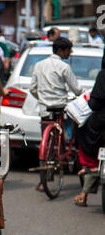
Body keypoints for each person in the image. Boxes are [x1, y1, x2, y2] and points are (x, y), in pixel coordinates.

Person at [29, 37, 84, 191]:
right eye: (68, 50)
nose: (70, 53)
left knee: (46, 145)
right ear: (60, 51)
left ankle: (43, 181)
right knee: (72, 132)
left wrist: (42, 98)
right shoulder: (64, 67)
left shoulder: (39, 65)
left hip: (45, 109)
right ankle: (72, 156)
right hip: (61, 107)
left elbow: (33, 88)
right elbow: (77, 90)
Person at [74, 67, 105, 206]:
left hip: (100, 124)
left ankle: (84, 193)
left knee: (84, 135)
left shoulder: (103, 75)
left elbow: (94, 104)